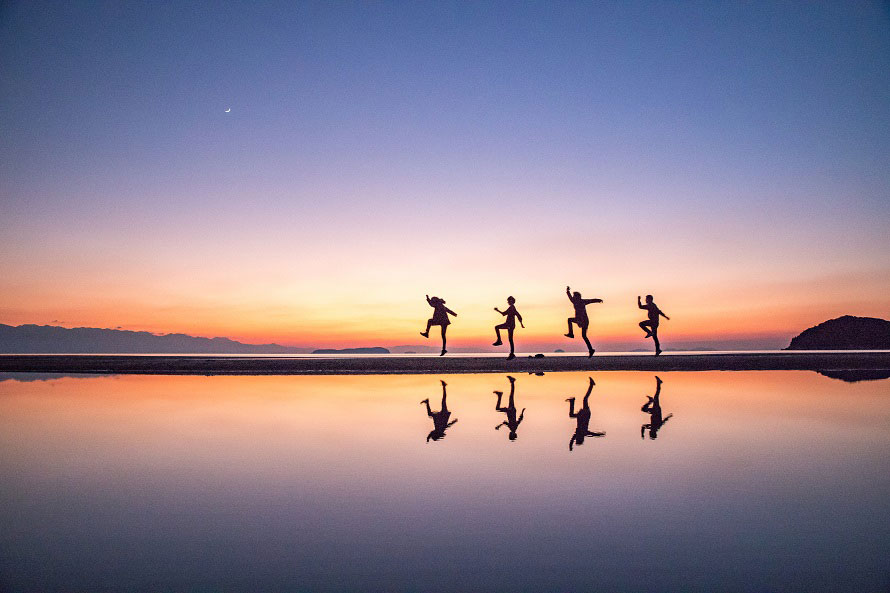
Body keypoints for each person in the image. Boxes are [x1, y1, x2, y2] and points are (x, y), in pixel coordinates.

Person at [567, 377, 605, 451]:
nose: (576, 438)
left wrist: (570, 447)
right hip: (585, 415)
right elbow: (593, 434)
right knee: (585, 399)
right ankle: (591, 385)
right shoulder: (584, 433)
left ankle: (572, 401)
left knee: (572, 414)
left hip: (582, 416)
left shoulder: (577, 434)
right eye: (577, 440)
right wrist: (600, 434)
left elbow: (572, 440)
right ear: (580, 439)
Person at [564, 285, 603, 357]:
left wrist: (598, 300)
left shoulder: (582, 301)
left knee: (582, 334)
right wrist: (567, 291)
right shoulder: (576, 301)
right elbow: (570, 297)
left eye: (575, 296)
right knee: (584, 336)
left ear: (577, 297)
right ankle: (591, 349)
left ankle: (571, 334)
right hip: (581, 320)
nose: (574, 298)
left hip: (583, 320)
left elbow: (591, 300)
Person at [494, 375, 525, 441]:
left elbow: (506, 423)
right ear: (513, 435)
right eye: (510, 435)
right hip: (511, 411)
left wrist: (500, 426)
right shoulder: (513, 428)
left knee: (498, 408)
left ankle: (500, 395)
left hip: (510, 411)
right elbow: (519, 420)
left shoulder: (512, 428)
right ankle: (512, 382)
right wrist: (522, 412)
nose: (509, 434)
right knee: (511, 396)